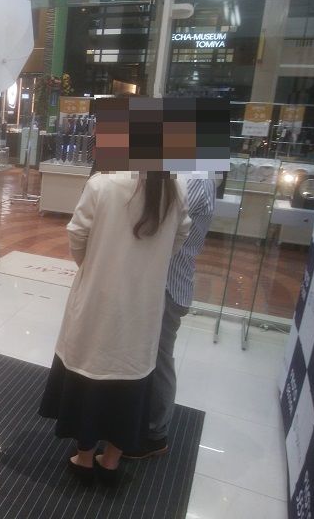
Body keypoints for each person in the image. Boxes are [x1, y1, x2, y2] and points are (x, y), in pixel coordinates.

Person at [39, 171, 190, 484]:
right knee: (132, 378)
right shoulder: (176, 188)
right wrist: (149, 264)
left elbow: (77, 235)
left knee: (90, 372)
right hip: (144, 304)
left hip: (100, 299)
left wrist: (95, 266)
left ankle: (83, 457)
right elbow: (179, 238)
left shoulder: (103, 184)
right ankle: (110, 461)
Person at [124, 176, 216, 458]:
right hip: (157, 282)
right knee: (147, 356)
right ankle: (140, 423)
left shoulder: (196, 180)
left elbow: (154, 222)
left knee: (158, 359)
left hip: (168, 286)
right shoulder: (185, 175)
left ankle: (154, 434)